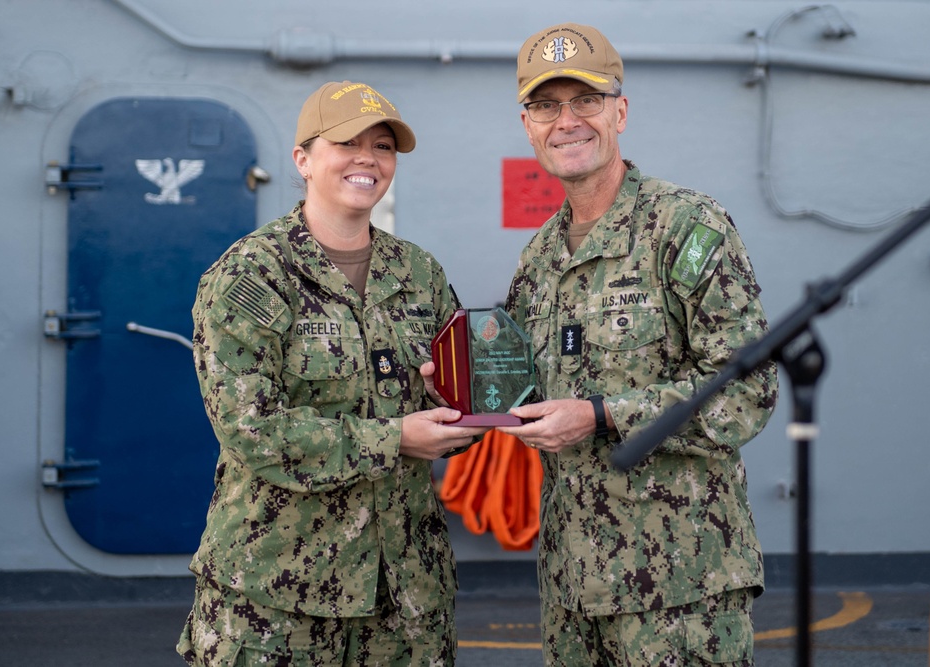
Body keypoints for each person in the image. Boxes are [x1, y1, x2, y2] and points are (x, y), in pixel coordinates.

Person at [496, 23, 779, 666]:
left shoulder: (685, 226)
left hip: (680, 590)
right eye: (546, 106)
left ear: (620, 111)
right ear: (528, 125)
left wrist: (599, 414)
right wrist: (458, 389)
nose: (566, 121)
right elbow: (518, 390)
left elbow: (748, 390)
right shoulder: (537, 260)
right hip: (572, 591)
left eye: (585, 101)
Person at [177, 80, 487, 667]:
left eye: (384, 146)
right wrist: (397, 437)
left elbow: (462, 401)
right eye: (347, 142)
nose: (368, 158)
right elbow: (251, 430)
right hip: (278, 598)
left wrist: (466, 411)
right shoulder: (252, 276)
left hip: (406, 598)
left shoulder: (419, 274)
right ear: (303, 159)